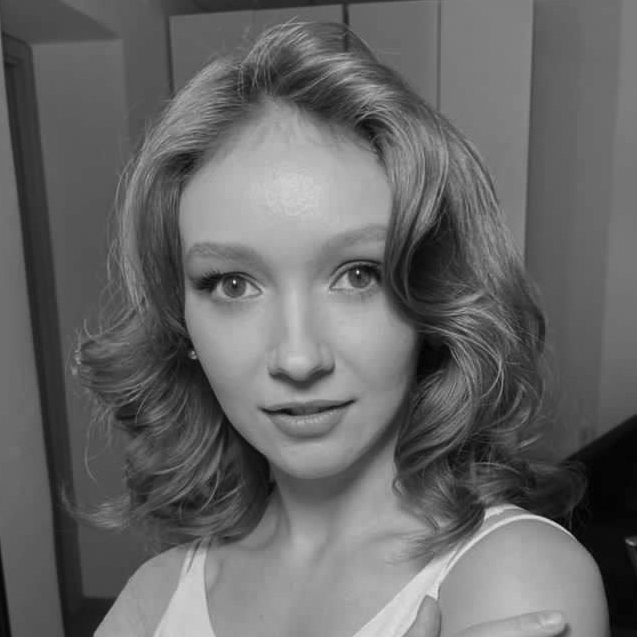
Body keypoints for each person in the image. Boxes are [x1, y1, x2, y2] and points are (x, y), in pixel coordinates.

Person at [76, 20, 609, 637]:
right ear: (181, 323)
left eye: (359, 275)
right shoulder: (159, 592)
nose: (298, 358)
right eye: (232, 284)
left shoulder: (517, 576)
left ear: (433, 298)